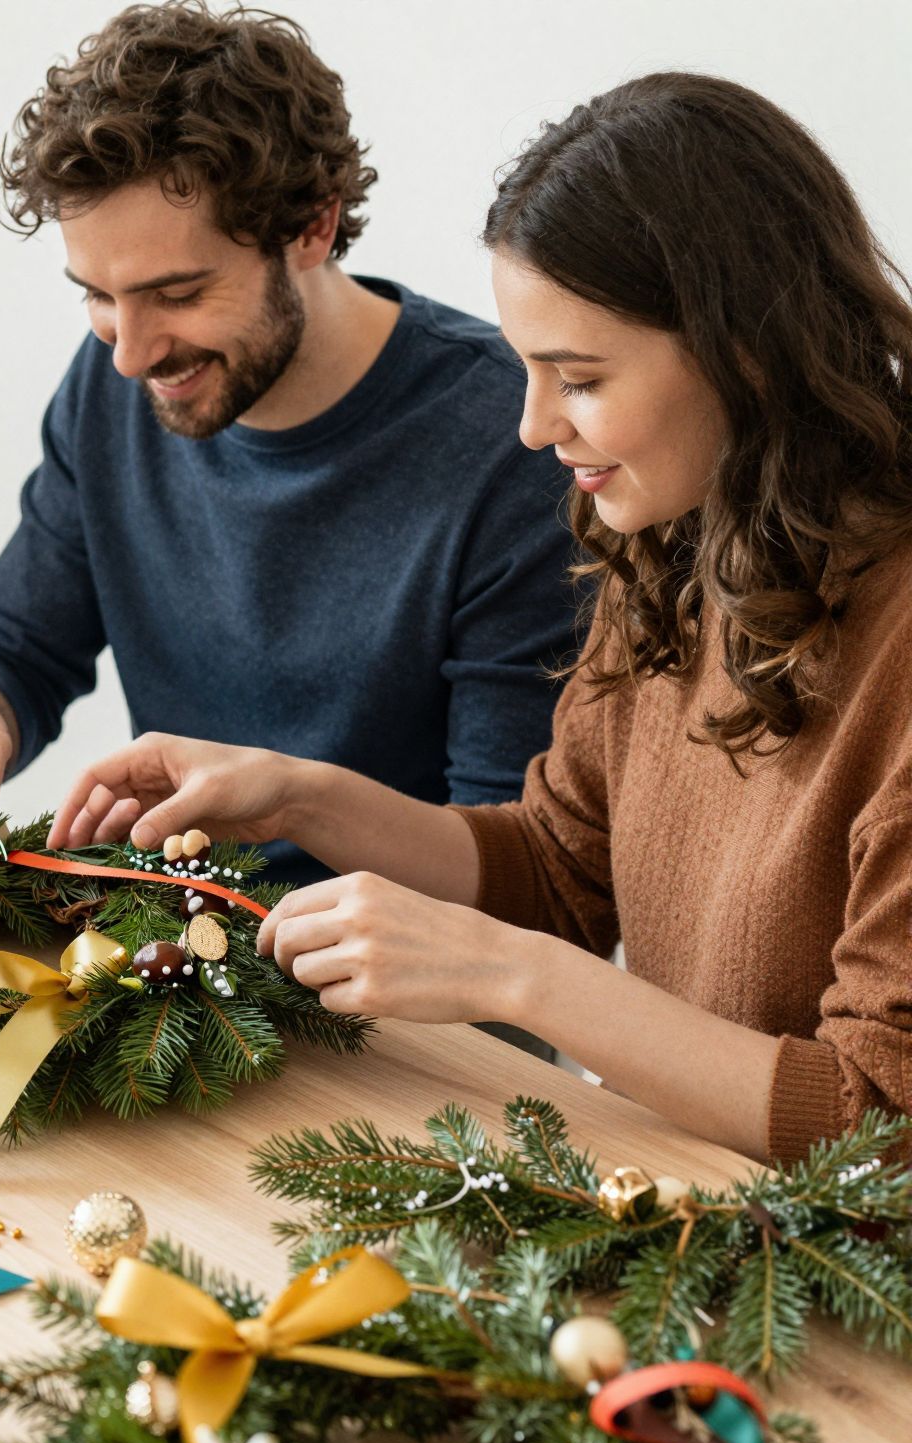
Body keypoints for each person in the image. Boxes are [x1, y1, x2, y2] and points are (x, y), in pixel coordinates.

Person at [51, 73, 912, 1163]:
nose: (530, 425)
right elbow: (557, 867)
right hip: (677, 1203)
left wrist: (516, 977)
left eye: (578, 378)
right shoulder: (672, 538)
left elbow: (877, 1121)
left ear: (743, 352)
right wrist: (298, 794)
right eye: (525, 369)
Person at [0, 2, 579, 886]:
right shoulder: (115, 386)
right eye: (96, 294)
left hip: (406, 1001)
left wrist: (300, 808)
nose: (129, 352)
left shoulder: (517, 439)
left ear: (313, 228)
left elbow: (524, 870)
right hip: (170, 969)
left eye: (177, 292)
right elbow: (17, 642)